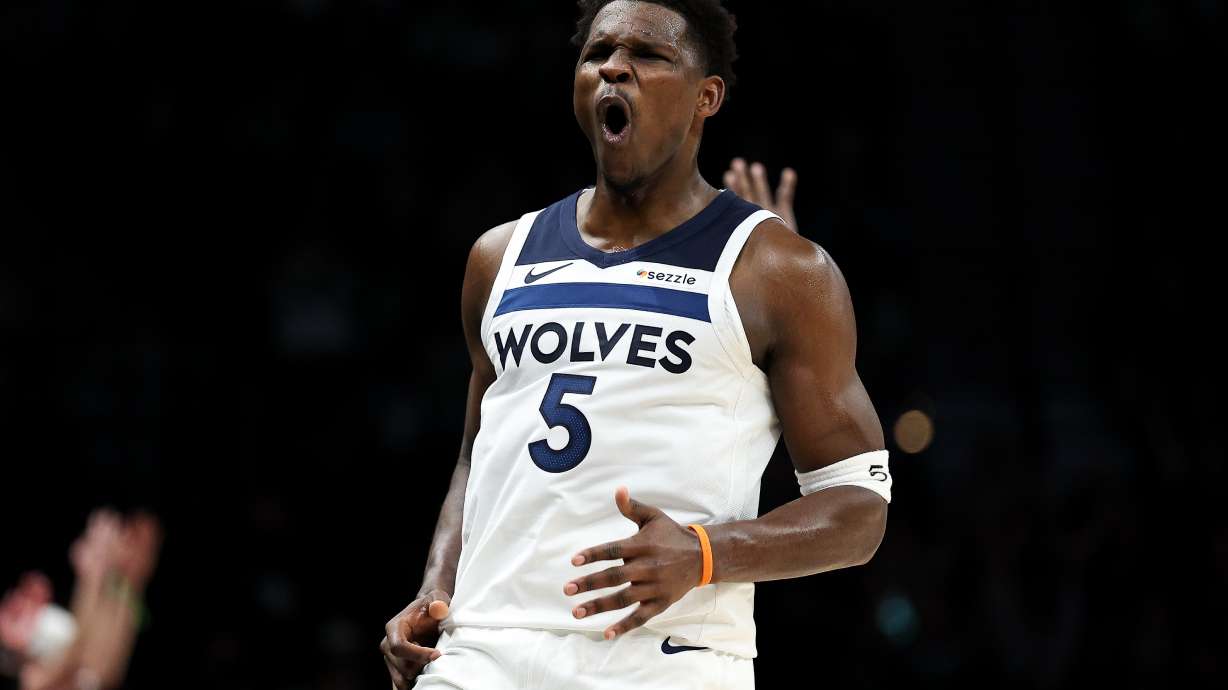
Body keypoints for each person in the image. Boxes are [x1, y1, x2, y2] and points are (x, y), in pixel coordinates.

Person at [380, 2, 891, 688]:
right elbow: (477, 456)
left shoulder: (779, 271)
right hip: (484, 649)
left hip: (664, 658)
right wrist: (434, 585)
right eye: (597, 54)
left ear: (707, 96)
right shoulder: (499, 256)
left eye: (649, 56)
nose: (615, 67)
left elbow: (858, 509)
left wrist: (705, 554)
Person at [0, 509, 161, 690]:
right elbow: (91, 660)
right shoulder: (37, 677)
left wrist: (99, 572)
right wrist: (97, 573)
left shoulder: (56, 645)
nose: (20, 600)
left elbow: (85, 643)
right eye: (14, 613)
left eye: (12, 600)